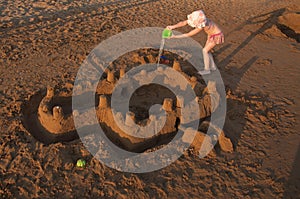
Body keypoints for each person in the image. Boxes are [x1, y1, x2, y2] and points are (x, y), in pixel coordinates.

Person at [166, 10, 224, 75]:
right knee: (207, 51)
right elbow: (183, 23)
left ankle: (207, 70)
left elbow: (189, 34)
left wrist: (175, 37)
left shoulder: (202, 26)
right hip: (211, 34)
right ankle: (213, 67)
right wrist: (172, 26)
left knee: (205, 51)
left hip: (216, 35)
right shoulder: (201, 20)